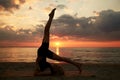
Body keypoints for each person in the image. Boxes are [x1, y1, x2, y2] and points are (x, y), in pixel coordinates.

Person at [35, 8, 82, 75]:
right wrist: (39, 70)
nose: (57, 67)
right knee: (61, 59)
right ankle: (77, 64)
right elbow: (38, 64)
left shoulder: (45, 68)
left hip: (43, 51)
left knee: (46, 32)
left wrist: (37, 68)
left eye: (57, 68)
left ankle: (50, 17)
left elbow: (37, 61)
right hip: (44, 52)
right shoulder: (48, 68)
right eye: (58, 68)